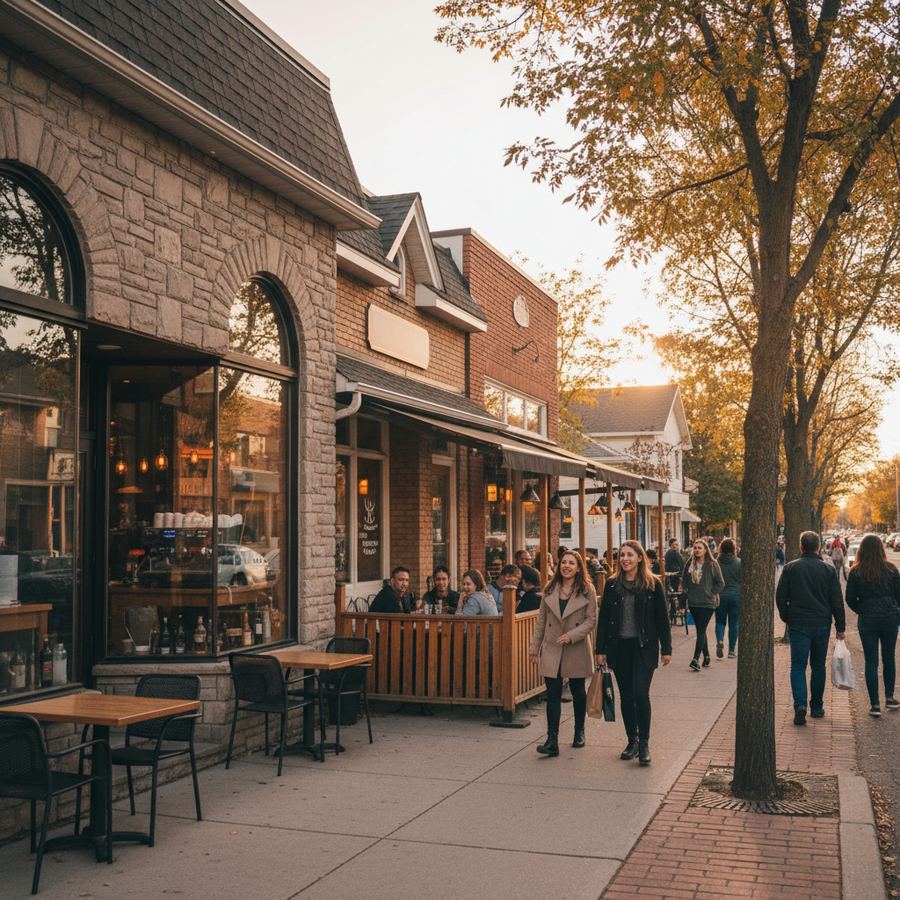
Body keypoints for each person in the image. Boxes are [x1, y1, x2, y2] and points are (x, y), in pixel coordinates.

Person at [595, 540, 672, 766]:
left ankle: (645, 743)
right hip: (619, 648)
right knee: (626, 696)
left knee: (640, 694)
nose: (625, 559)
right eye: (622, 555)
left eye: (630, 554)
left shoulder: (652, 584)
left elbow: (662, 618)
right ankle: (632, 740)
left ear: (640, 558)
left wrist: (666, 648)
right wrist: (600, 650)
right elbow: (604, 620)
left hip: (644, 647)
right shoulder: (611, 585)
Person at [528, 549, 597, 755]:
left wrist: (572, 635)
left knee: (577, 690)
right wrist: (534, 648)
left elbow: (591, 620)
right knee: (553, 693)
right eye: (563, 562)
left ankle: (579, 731)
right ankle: (552, 740)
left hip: (575, 645)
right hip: (553, 645)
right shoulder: (550, 589)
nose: (566, 566)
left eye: (571, 563)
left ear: (578, 568)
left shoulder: (587, 590)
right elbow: (541, 621)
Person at [776, 531, 845, 725]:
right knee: (818, 666)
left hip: (798, 624)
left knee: (798, 666)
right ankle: (816, 707)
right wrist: (840, 626)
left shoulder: (790, 568)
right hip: (822, 623)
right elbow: (836, 601)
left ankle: (800, 705)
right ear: (818, 547)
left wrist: (787, 617)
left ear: (800, 546)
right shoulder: (828, 570)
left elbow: (780, 596)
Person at [845, 534, 900, 717]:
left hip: (867, 619)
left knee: (871, 660)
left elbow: (850, 598)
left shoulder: (856, 571)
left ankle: (875, 704)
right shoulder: (891, 570)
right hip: (889, 617)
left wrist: (861, 608)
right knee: (889, 657)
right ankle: (890, 698)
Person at [680, 539, 725, 671]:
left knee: (700, 630)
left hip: (707, 603)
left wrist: (710, 592)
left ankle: (695, 659)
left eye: (700, 548)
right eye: (695, 548)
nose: (697, 550)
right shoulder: (689, 563)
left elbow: (720, 583)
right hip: (693, 602)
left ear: (706, 550)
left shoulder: (712, 564)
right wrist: (686, 592)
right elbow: (684, 579)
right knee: (701, 629)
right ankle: (706, 657)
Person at [714, 538, 741, 659]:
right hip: (735, 596)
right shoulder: (739, 562)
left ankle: (720, 640)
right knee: (734, 623)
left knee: (720, 621)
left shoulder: (716, 563)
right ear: (734, 549)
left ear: (721, 548)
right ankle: (731, 651)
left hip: (720, 596)